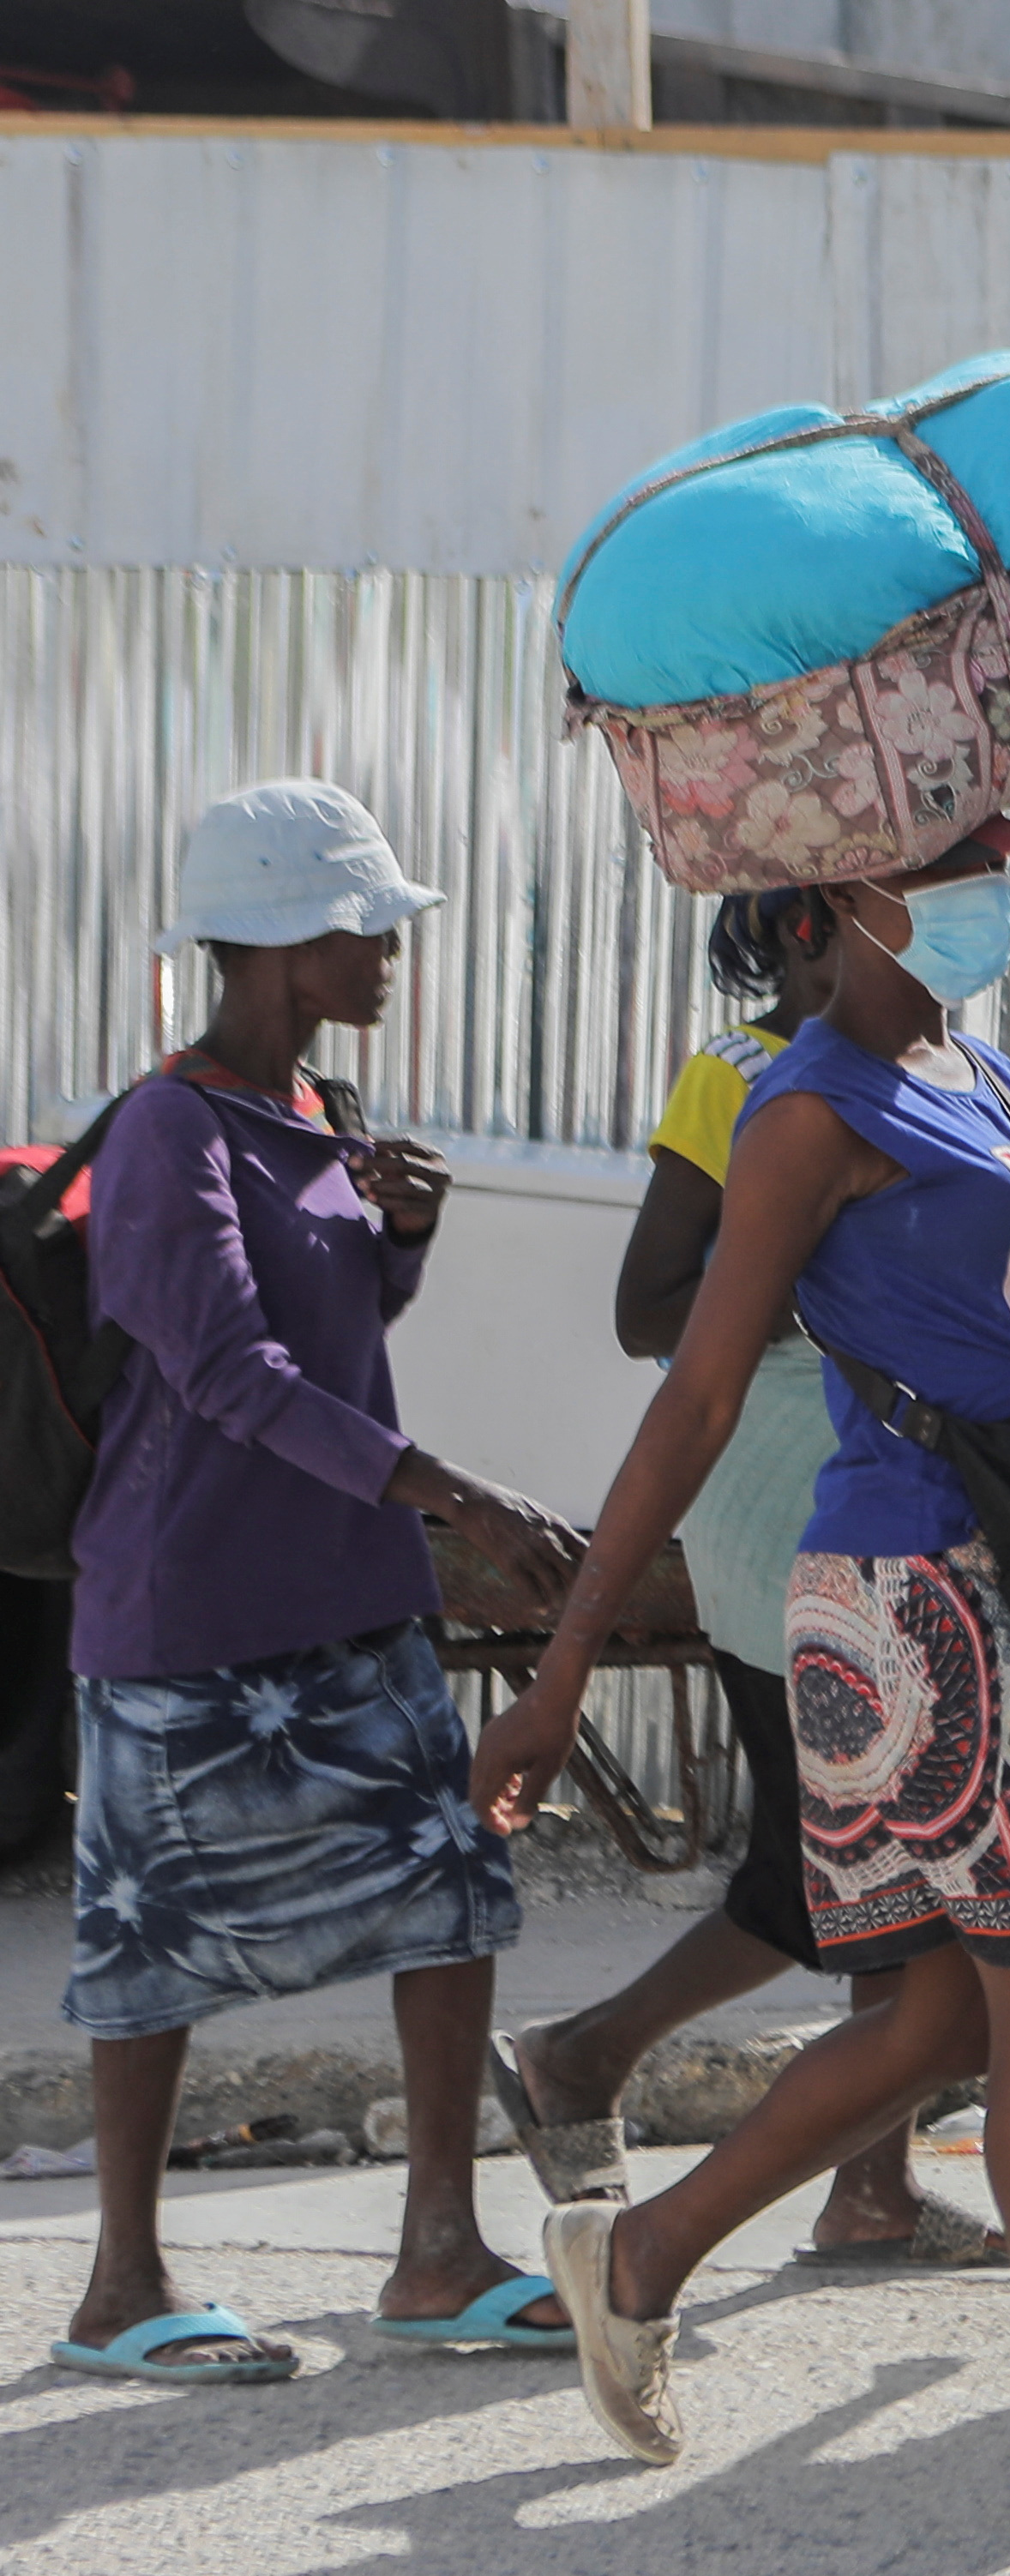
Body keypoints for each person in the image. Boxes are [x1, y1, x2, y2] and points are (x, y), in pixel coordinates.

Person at [472, 815, 1010, 2556]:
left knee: (938, 2018)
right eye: (967, 854)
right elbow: (687, 1394)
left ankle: (644, 2252)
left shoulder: (973, 1067)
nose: (1002, 876)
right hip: (905, 1593)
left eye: (1002, 848)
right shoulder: (809, 1102)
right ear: (844, 897)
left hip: (998, 1582)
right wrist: (562, 1672)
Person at [52, 783, 589, 2384]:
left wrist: (401, 1233)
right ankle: (120, 2286)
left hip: (347, 1589)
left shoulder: (324, 1108)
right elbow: (226, 1365)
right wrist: (456, 1491)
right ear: (286, 934)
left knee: (449, 1890)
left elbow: (338, 1330)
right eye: (370, 925)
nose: (392, 951)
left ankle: (437, 2250)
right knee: (148, 1943)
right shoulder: (170, 1128)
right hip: (187, 1602)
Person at [484, 891, 982, 2266]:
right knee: (846, 1861)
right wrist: (811, 1250)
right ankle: (601, 2063)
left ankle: (621, 2071)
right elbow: (651, 1308)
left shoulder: (923, 1078)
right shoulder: (744, 1074)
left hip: (876, 1496)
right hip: (778, 1494)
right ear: (809, 927)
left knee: (850, 1858)